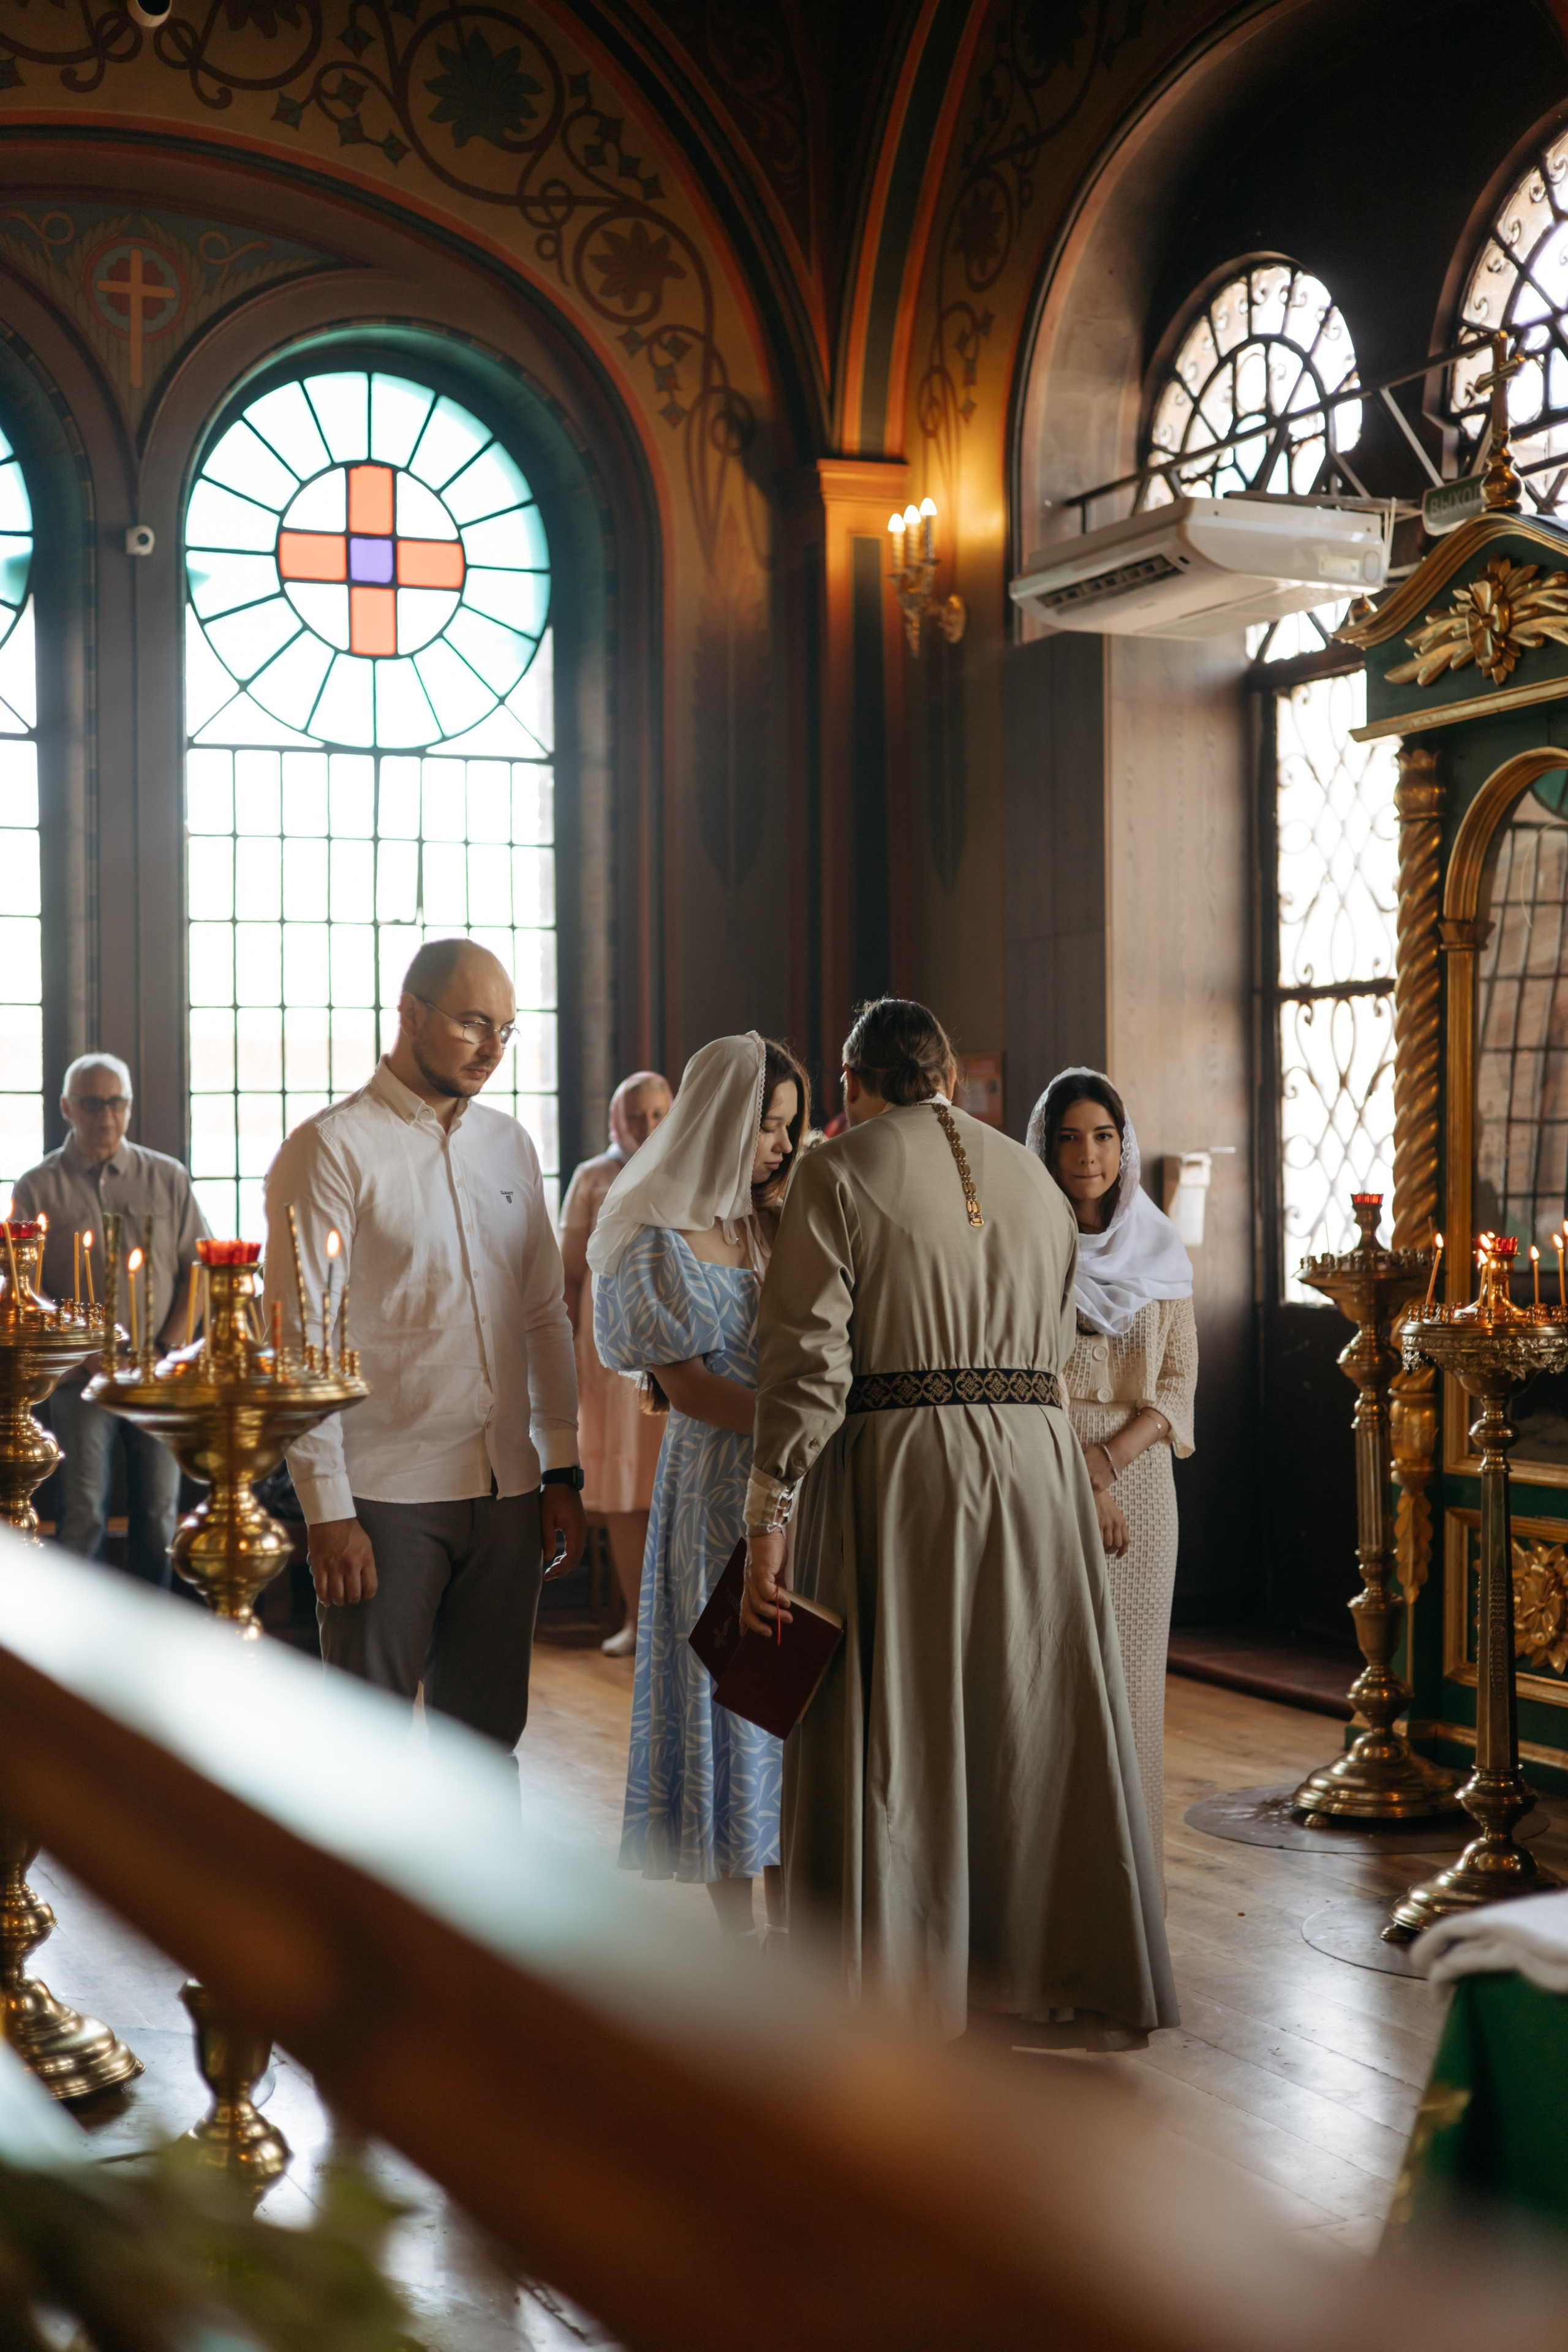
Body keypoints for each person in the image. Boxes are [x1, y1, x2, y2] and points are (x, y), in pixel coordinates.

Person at [741, 997, 1176, 2047]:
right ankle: (1038, 1967)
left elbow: (805, 1366)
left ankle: (901, 1976)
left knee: (909, 1712)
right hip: (1036, 1463)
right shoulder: (1031, 1175)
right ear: (942, 1073)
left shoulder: (836, 1173)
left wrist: (768, 1515)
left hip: (905, 1463)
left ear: (854, 1079)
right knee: (1024, 1712)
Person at [263, 936, 586, 1752]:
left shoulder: (511, 1145)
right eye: (475, 1023)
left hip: (509, 1491)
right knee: (366, 1755)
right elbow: (303, 1341)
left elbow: (545, 1316)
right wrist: (328, 1511)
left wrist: (562, 1469)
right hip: (383, 1496)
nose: (492, 1050)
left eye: (506, 1031)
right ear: (409, 1013)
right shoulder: (330, 1147)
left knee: (483, 1749)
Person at [589, 1032, 809, 1936]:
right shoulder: (656, 1235)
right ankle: (738, 1932)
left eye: (790, 1128)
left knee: (792, 1688)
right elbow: (683, 1386)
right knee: (733, 1691)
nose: (782, 1147)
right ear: (721, 1120)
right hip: (717, 1484)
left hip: (798, 1480)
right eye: (767, 1127)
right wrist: (794, 1418)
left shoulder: (776, 1218)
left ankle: (800, 1923)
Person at [1027, 1069, 1197, 1883]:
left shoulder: (1161, 1246)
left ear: (1122, 1146)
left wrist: (1110, 1463)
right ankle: (1057, 1913)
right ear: (1045, 1146)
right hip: (1044, 1479)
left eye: (1102, 1136)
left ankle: (1131, 1908)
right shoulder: (1026, 1246)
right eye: (1069, 1136)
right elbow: (1028, 1375)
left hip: (1141, 1484)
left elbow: (1177, 1385)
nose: (1086, 1154)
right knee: (1054, 1694)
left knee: (1133, 1697)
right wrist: (1081, 1479)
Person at [14, 1052, 207, 1587]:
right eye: (93, 1103)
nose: (106, 1115)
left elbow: (199, 1267)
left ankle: (152, 1641)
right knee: (83, 1515)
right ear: (67, 1109)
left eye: (116, 1102)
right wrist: (86, 1349)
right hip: (80, 1379)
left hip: (158, 1376)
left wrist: (165, 1350)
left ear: (129, 1106)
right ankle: (76, 1654)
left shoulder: (168, 1178)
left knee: (159, 1518)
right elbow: (22, 1286)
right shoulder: (37, 1187)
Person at [560, 1071, 674, 1657]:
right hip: (611, 1360)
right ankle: (637, 1618)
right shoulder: (592, 1177)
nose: (647, 1126)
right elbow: (569, 1271)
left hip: (675, 1350)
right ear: (617, 1119)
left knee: (672, 1487)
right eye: (637, 1115)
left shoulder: (685, 1165)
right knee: (630, 1495)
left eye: (658, 1114)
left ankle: (683, 1626)